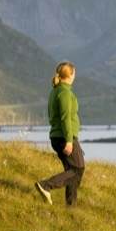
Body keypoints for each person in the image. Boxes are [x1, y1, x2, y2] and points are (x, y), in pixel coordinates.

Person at [35, 61, 84, 206]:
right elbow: (65, 118)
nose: (75, 75)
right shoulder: (64, 92)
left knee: (72, 170)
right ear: (70, 75)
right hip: (64, 137)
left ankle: (71, 206)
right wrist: (69, 140)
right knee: (78, 169)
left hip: (58, 136)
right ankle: (46, 185)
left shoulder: (56, 91)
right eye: (74, 73)